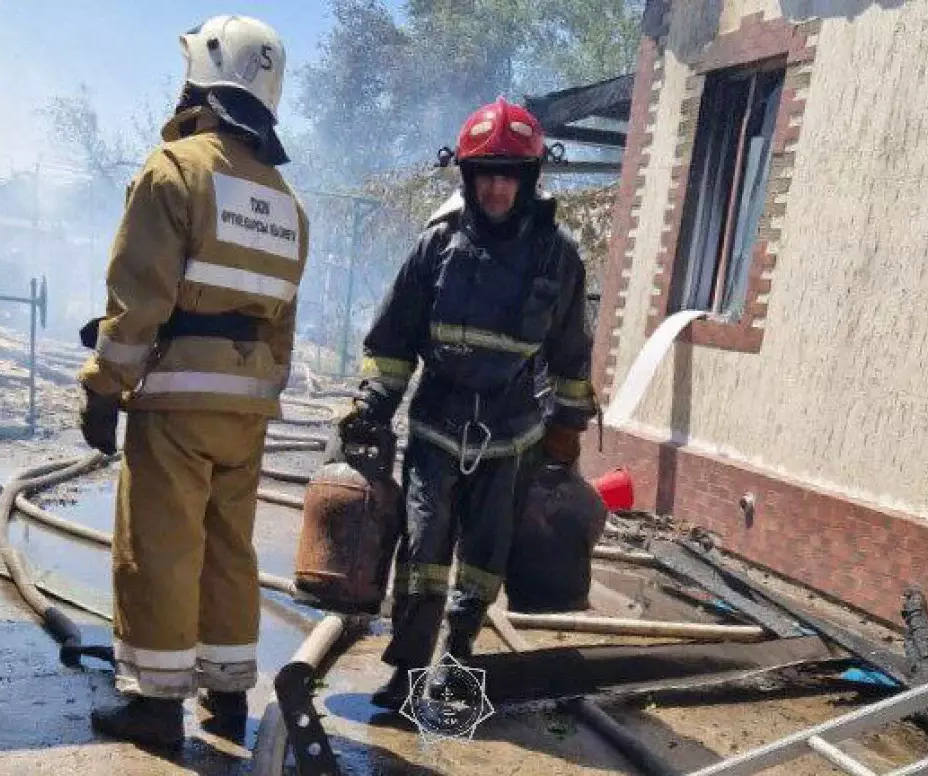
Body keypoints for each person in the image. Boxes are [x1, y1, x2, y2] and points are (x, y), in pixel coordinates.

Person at [76, 14, 308, 749]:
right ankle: (228, 695)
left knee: (162, 546)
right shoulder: (286, 204)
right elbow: (280, 329)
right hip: (246, 410)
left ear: (203, 82)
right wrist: (259, 394)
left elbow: (138, 298)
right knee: (229, 549)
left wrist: (102, 387)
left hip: (174, 400)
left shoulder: (174, 171)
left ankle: (154, 702)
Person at [339, 96, 597, 709]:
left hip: (512, 435)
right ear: (468, 177)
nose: (497, 188)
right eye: (486, 174)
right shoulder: (437, 246)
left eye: (509, 174)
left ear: (529, 178)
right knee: (424, 551)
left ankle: (457, 666)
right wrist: (375, 400)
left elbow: (570, 352)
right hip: (437, 425)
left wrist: (567, 429)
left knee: (485, 560)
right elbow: (393, 337)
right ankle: (405, 672)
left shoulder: (557, 256)